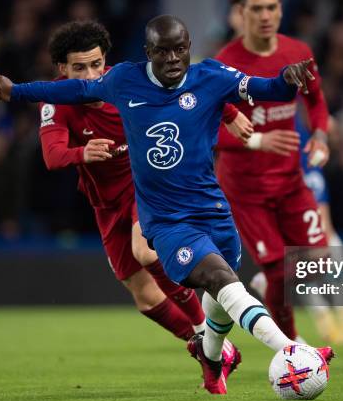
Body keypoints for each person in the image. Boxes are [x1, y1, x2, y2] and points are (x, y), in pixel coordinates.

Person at [0, 15, 334, 394]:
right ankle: (294, 352)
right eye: (163, 51)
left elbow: (263, 89)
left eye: (180, 49)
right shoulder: (122, 81)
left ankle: (212, 359)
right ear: (148, 53)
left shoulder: (210, 75)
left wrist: (286, 80)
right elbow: (71, 94)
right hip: (161, 215)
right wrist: (15, 91)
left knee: (219, 293)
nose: (174, 58)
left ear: (189, 48)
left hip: (212, 210)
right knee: (207, 280)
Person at [33, 20, 248, 369]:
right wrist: (82, 153)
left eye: (96, 64)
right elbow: (52, 155)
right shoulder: (57, 101)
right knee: (144, 296)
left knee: (145, 252)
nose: (90, 74)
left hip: (146, 187)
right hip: (105, 201)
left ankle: (204, 329)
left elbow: (190, 89)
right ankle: (204, 345)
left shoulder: (127, 81)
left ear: (107, 61)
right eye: (79, 67)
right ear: (61, 69)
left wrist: (231, 113)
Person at [215, 0, 343, 344]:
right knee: (281, 274)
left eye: (271, 8)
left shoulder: (298, 53)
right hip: (246, 189)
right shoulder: (223, 64)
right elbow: (208, 131)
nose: (264, 16)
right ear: (243, 14)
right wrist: (259, 139)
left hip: (291, 181)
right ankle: (293, 348)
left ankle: (269, 278)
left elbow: (316, 102)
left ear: (280, 11)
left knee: (321, 262)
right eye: (256, 9)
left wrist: (321, 137)